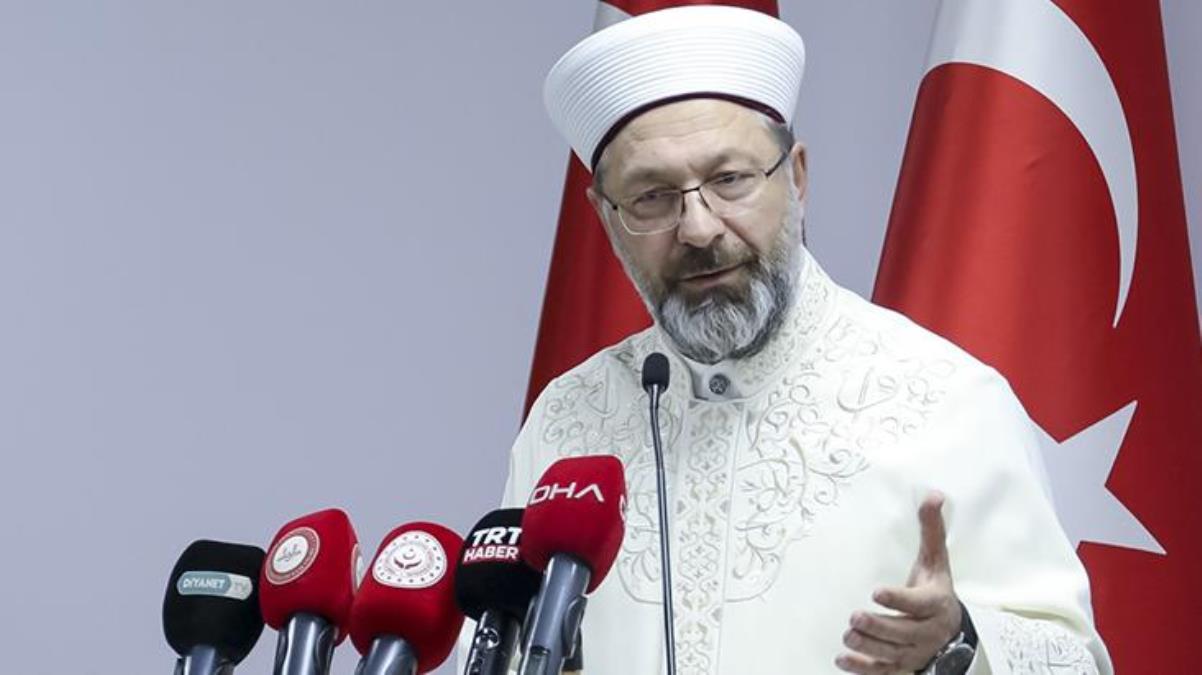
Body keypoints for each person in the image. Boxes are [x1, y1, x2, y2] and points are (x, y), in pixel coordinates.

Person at [489, 6, 1111, 674]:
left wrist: (961, 641)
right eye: (652, 197)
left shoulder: (948, 399)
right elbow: (494, 642)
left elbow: (1075, 661)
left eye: (729, 180)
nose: (698, 228)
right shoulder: (568, 419)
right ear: (606, 218)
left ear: (798, 178)